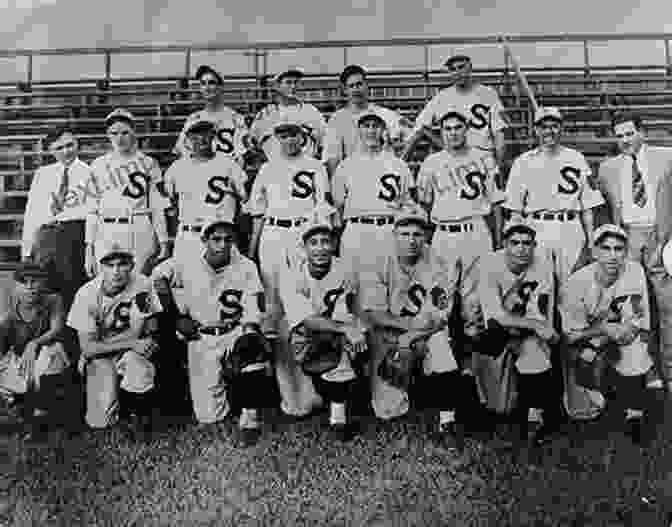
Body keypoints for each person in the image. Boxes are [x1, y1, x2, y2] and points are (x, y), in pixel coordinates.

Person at [152, 213, 274, 446]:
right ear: (205, 240)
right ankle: (232, 394)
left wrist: (249, 331)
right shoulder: (186, 259)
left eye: (228, 239)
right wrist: (176, 318)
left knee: (251, 349)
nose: (223, 244)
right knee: (209, 417)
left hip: (233, 330)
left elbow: (253, 305)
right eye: (216, 239)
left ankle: (250, 417)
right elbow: (157, 279)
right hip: (201, 335)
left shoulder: (246, 266)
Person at [359, 204, 469, 450]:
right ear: (394, 235)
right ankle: (413, 384)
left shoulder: (440, 262)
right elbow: (375, 314)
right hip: (388, 334)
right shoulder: (376, 260)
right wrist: (406, 333)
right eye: (405, 234)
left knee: (442, 350)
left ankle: (447, 421)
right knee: (387, 410)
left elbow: (440, 316)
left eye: (418, 234)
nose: (411, 240)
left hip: (427, 332)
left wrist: (414, 337)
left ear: (426, 236)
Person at [247, 117, 331, 417]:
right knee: (275, 310)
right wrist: (253, 249)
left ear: (303, 137)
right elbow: (257, 212)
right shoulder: (268, 168)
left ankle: (314, 388)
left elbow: (323, 207)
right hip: (273, 234)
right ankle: (289, 393)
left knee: (305, 305)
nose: (288, 140)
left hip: (303, 235)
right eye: (282, 135)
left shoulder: (316, 166)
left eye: (293, 134)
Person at [560, 225, 656, 445]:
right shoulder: (576, 282)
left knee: (636, 346)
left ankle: (634, 412)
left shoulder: (634, 270)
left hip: (620, 332)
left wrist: (615, 333)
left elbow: (637, 320)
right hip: (587, 338)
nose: (613, 255)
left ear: (625, 251)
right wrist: (602, 332)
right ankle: (602, 386)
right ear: (594, 252)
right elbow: (571, 336)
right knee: (581, 412)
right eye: (606, 248)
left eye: (619, 249)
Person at [596, 112, 672, 390]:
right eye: (619, 136)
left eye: (629, 133)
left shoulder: (667, 157)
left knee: (667, 307)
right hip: (627, 236)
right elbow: (605, 208)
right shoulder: (607, 168)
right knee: (630, 307)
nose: (624, 140)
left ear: (642, 132)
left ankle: (670, 370)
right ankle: (641, 369)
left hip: (662, 236)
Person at [474, 218, 565, 449]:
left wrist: (533, 329)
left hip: (526, 332)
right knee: (500, 408)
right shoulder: (488, 263)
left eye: (527, 243)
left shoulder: (543, 264)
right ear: (505, 244)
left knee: (536, 358)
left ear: (534, 245)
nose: (521, 248)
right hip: (495, 333)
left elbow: (541, 314)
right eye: (515, 242)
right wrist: (533, 326)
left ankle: (535, 414)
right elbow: (494, 318)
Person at [278, 211, 367, 441]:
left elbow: (345, 311)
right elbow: (304, 319)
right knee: (301, 407)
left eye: (325, 241)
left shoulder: (345, 269)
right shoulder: (291, 274)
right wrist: (344, 328)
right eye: (313, 242)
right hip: (301, 334)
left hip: (332, 330)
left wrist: (351, 329)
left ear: (334, 244)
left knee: (348, 330)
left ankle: (338, 416)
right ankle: (314, 387)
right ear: (304, 247)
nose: (320, 248)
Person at [67, 240, 163, 439]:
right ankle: (110, 400)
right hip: (99, 355)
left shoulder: (142, 284)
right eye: (110, 265)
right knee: (100, 422)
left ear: (132, 265)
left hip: (129, 349)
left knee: (140, 367)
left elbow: (151, 323)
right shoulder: (87, 294)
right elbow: (88, 348)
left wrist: (149, 340)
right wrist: (132, 342)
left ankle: (137, 417)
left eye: (123, 264)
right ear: (100, 267)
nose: (117, 271)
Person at [503, 107, 604, 283]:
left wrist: (591, 241)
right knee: (538, 287)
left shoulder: (576, 158)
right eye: (543, 126)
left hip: (570, 226)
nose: (549, 131)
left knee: (572, 286)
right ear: (536, 130)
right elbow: (515, 210)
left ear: (561, 128)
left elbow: (588, 206)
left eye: (554, 126)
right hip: (537, 227)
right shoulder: (523, 162)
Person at [413, 106, 504, 272]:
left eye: (458, 127)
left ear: (467, 129)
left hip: (476, 231)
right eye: (447, 128)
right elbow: (424, 206)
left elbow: (497, 203)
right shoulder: (431, 162)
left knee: (479, 291)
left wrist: (498, 242)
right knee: (443, 292)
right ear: (441, 131)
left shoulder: (484, 158)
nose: (453, 133)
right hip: (443, 234)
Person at [87, 109, 172, 278]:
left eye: (125, 132)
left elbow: (157, 207)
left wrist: (163, 241)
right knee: (108, 283)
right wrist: (88, 247)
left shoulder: (149, 163)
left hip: (139, 226)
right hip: (106, 229)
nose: (120, 138)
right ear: (107, 135)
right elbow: (92, 210)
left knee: (140, 282)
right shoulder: (98, 165)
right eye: (114, 133)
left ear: (134, 132)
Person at [332, 110, 413, 277]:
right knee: (353, 285)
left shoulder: (398, 165)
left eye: (375, 126)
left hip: (389, 229)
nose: (371, 130)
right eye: (366, 126)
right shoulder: (346, 165)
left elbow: (407, 201)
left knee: (395, 283)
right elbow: (338, 205)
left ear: (383, 130)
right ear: (359, 130)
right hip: (356, 230)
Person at [22, 126, 93, 310]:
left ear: (78, 144)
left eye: (70, 145)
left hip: (74, 235)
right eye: (59, 148)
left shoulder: (90, 172)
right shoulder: (43, 174)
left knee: (72, 291)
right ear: (51, 151)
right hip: (45, 238)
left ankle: (70, 337)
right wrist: (27, 250)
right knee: (44, 292)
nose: (66, 151)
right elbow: (32, 213)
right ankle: (48, 336)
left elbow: (93, 211)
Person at [0, 261, 73, 438]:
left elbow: (56, 329)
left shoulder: (52, 300)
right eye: (24, 282)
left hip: (44, 355)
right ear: (16, 285)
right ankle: (17, 407)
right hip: (19, 358)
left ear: (43, 282)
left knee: (54, 351)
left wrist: (34, 344)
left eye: (35, 281)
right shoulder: (8, 306)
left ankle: (41, 414)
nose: (30, 287)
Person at [164, 120, 249, 265]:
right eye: (195, 135)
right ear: (187, 139)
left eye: (206, 134)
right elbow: (170, 204)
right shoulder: (177, 168)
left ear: (213, 136)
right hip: (188, 236)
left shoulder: (229, 165)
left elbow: (246, 203)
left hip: (219, 236)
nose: (201, 139)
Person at [403, 54, 508, 168]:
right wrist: (443, 146)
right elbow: (420, 127)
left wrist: (499, 164)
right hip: (453, 159)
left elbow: (499, 133)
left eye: (461, 67)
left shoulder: (488, 94)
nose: (458, 73)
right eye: (453, 69)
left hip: (482, 155)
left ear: (470, 68)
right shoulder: (442, 97)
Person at [323, 64, 409, 178]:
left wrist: (398, 165)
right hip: (354, 180)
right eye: (351, 86)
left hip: (383, 179)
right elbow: (332, 160)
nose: (356, 89)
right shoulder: (336, 120)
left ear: (366, 85)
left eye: (359, 84)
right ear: (345, 90)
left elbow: (411, 137)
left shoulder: (385, 114)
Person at [173, 65, 249, 165]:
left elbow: (242, 154)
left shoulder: (236, 118)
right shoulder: (193, 119)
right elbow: (182, 151)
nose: (207, 88)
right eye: (203, 83)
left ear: (221, 87)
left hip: (226, 172)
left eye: (212, 83)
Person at [249, 68, 327, 160]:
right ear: (277, 86)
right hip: (277, 165)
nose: (293, 86)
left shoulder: (311, 110)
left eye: (296, 82)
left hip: (305, 166)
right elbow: (253, 142)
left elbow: (324, 140)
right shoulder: (267, 113)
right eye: (288, 82)